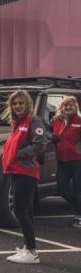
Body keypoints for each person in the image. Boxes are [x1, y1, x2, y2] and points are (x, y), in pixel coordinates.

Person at [2, 90, 48, 264]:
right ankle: (28, 247)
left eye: (21, 103)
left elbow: (41, 143)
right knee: (26, 211)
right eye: (14, 104)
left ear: (27, 104)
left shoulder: (34, 121)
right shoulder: (16, 122)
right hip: (15, 170)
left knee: (20, 211)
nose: (17, 106)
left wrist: (20, 154)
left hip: (26, 172)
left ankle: (32, 252)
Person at [49, 96, 81, 228]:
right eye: (65, 105)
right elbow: (48, 133)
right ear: (61, 107)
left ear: (75, 107)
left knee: (78, 190)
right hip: (61, 160)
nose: (68, 108)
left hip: (77, 160)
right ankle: (80, 210)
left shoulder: (79, 121)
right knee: (62, 190)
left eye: (70, 105)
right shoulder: (55, 121)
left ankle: (79, 215)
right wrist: (52, 137)